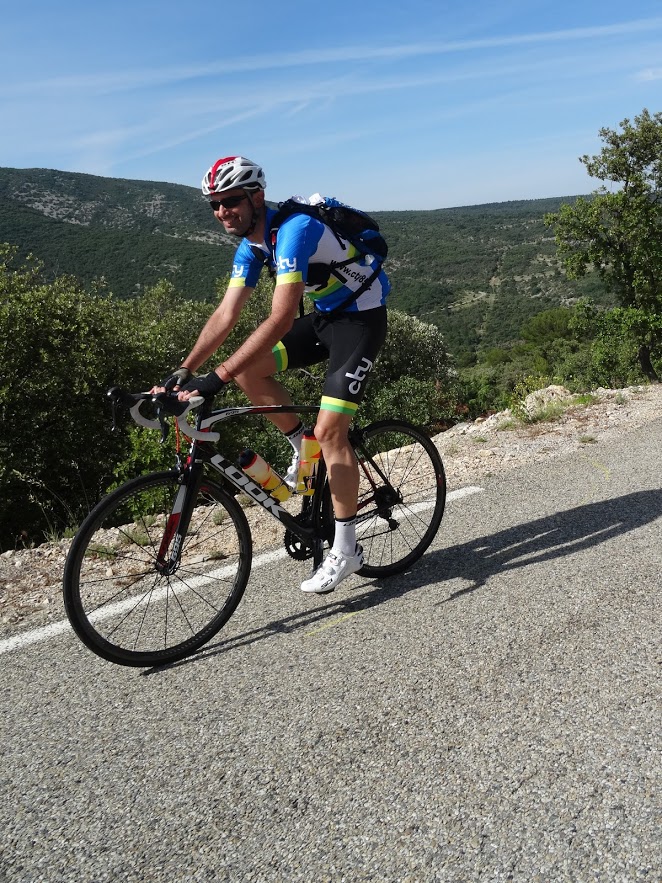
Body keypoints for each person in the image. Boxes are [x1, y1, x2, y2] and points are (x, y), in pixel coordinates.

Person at [157, 156, 390, 594]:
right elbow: (226, 314)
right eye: (215, 205)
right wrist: (186, 369)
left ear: (256, 197)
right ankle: (302, 444)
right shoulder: (251, 246)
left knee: (332, 432)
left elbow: (281, 318)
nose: (223, 212)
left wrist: (214, 379)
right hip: (325, 319)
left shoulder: (295, 231)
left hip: (361, 321)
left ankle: (346, 549)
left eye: (230, 202)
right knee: (251, 373)